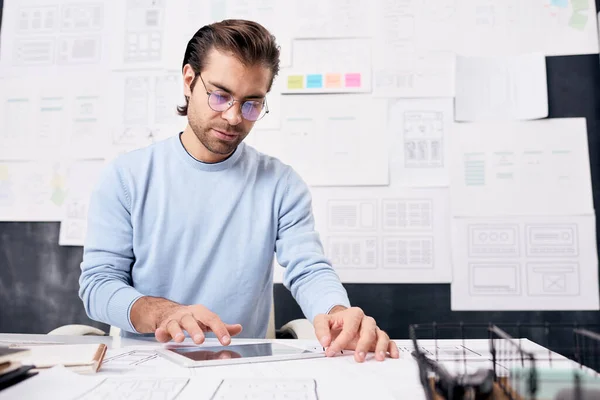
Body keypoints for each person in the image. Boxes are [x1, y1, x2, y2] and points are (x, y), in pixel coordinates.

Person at [79, 19, 399, 363]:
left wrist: (337, 311)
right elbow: (98, 285)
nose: (234, 117)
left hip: (242, 364)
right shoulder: (127, 177)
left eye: (252, 103)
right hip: (147, 364)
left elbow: (308, 269)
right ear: (189, 81)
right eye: (220, 95)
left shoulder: (281, 184)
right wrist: (162, 313)